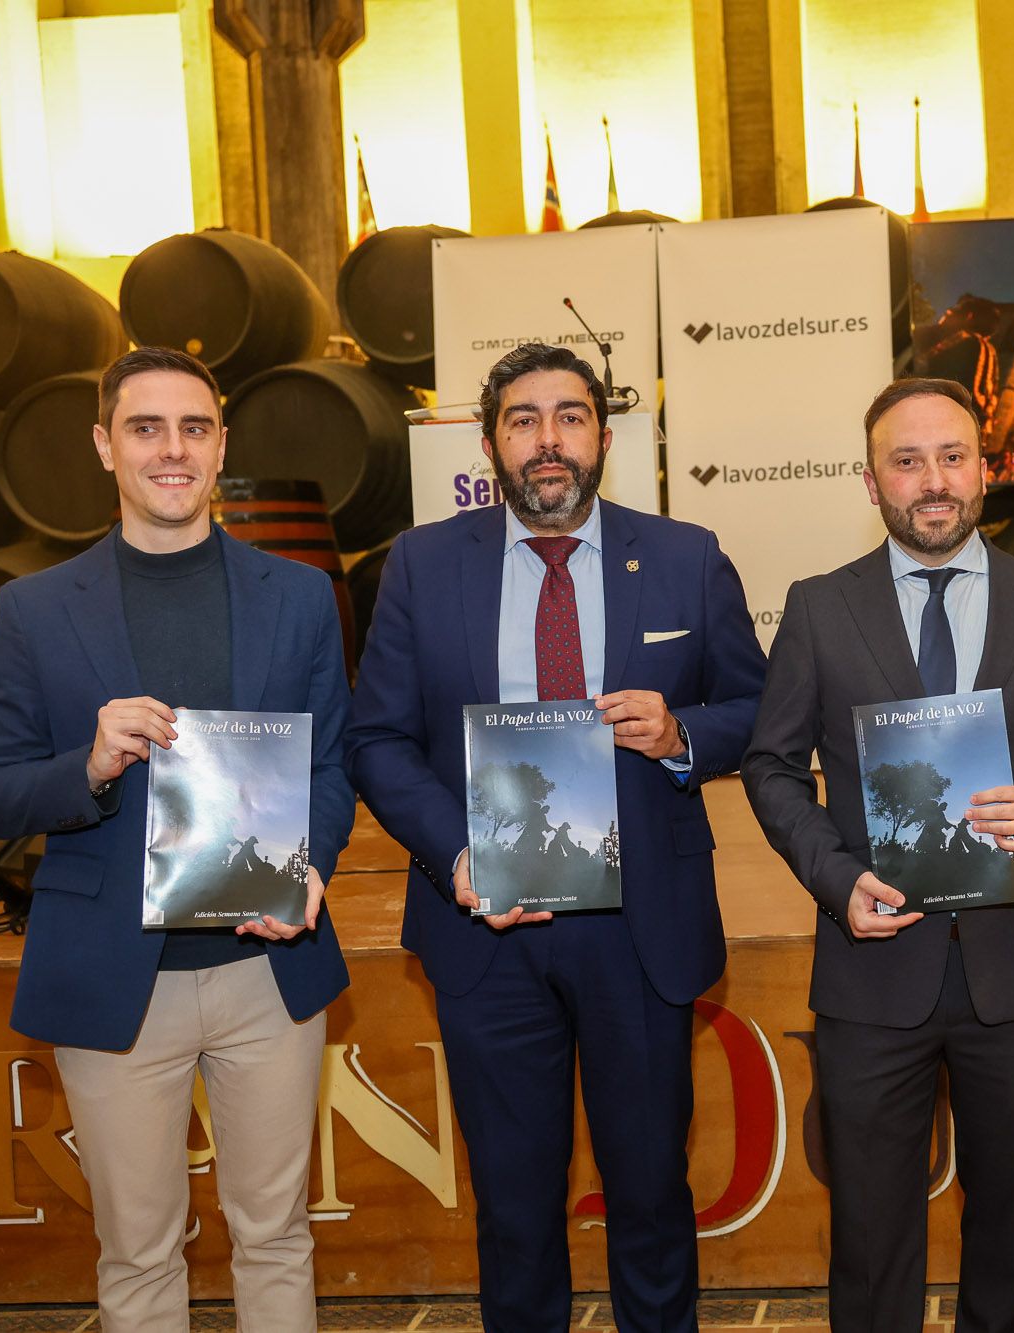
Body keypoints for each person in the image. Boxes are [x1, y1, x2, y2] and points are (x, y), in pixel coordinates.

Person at [346, 343, 766, 1332]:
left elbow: (758, 707)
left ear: (603, 437)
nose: (547, 440)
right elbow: (376, 739)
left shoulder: (683, 556)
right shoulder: (419, 563)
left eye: (569, 417)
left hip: (640, 928)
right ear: (491, 439)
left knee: (652, 1197)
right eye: (523, 419)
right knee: (516, 1209)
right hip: (483, 925)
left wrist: (680, 735)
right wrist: (456, 852)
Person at [0, 345, 353, 1329]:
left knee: (277, 1235)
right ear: (105, 445)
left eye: (193, 428)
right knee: (137, 1252)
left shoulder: (299, 595)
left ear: (221, 445)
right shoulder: (38, 612)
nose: (170, 449)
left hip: (268, 971)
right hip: (111, 977)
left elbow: (328, 768)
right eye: (145, 428)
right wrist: (89, 765)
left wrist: (312, 863)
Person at [741, 377, 1014, 1331]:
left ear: (986, 470)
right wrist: (837, 880)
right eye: (906, 462)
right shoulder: (821, 608)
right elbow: (773, 768)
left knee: (1008, 1234)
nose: (933, 479)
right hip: (873, 964)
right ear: (871, 483)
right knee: (870, 1240)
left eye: (952, 455)